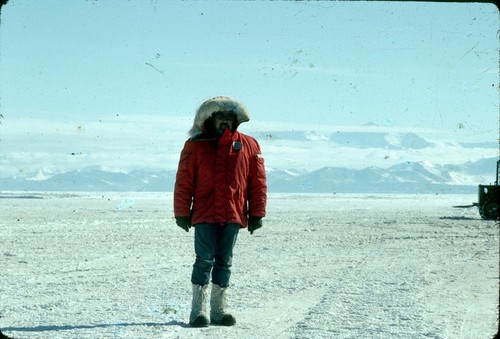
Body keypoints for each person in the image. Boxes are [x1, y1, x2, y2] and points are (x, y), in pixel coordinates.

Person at [174, 96, 267, 327]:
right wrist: (182, 212)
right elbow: (184, 181)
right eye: (220, 117)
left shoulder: (249, 145)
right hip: (205, 213)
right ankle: (198, 311)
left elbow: (257, 182)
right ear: (210, 119)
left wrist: (257, 213)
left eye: (229, 118)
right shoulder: (195, 145)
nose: (224, 122)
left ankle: (219, 310)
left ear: (236, 121)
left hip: (233, 214)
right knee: (204, 260)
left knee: (225, 261)